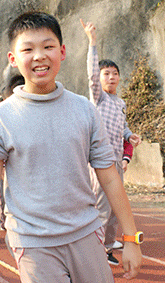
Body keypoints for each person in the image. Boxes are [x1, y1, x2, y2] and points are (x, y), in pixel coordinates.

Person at [0, 12, 142, 283]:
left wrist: (131, 239)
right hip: (33, 244)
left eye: (48, 46)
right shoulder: (2, 115)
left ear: (63, 51)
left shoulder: (85, 109)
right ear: (13, 59)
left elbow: (110, 177)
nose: (39, 56)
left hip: (86, 235)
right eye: (28, 49)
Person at [81, 19, 142, 265]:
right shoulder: (99, 98)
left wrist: (130, 136)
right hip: (100, 161)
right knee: (102, 208)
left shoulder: (120, 103)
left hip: (117, 161)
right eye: (107, 73)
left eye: (115, 73)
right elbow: (92, 76)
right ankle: (96, 250)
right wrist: (92, 42)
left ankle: (107, 244)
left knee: (116, 209)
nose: (111, 77)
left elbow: (122, 127)